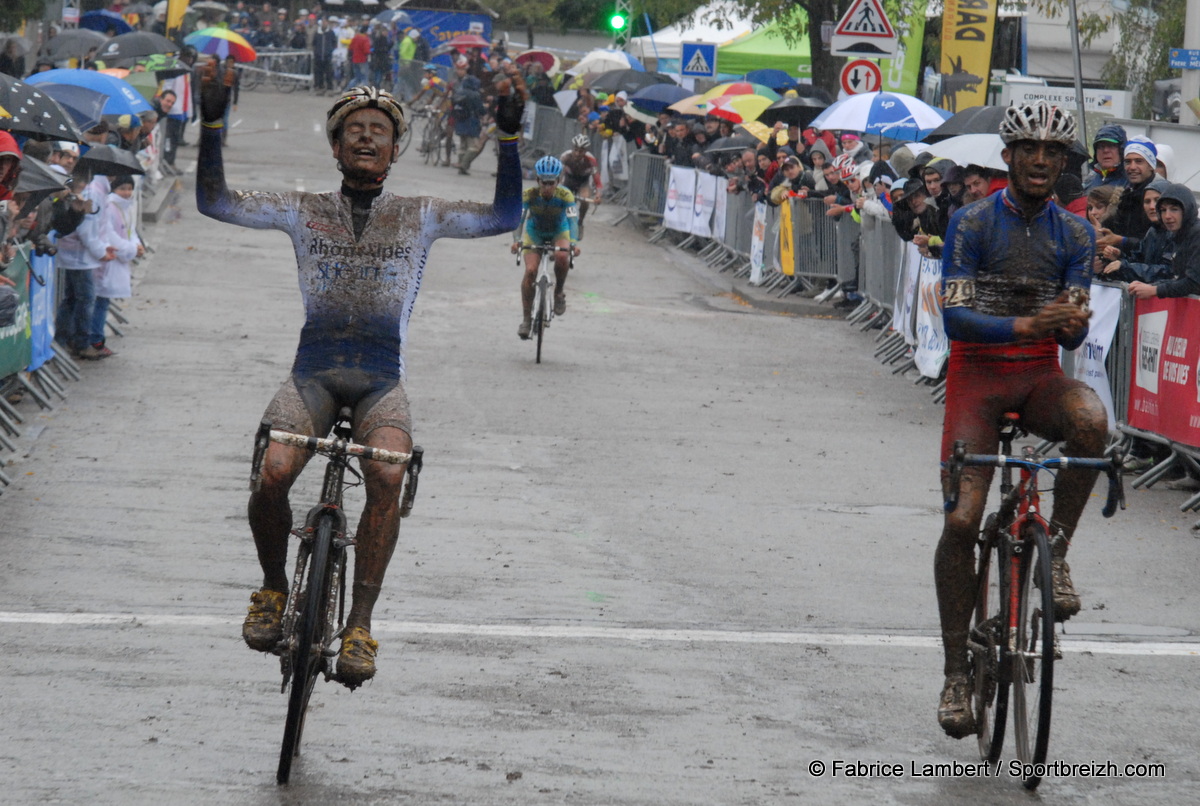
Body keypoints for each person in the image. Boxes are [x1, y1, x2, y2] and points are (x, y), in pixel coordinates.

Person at [196, 65, 528, 688]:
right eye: (354, 130)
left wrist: (510, 138)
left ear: (396, 148)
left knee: (386, 470)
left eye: (379, 131)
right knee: (272, 473)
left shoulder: (421, 214)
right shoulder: (303, 209)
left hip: (380, 380)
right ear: (334, 146)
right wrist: (210, 123)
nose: (367, 139)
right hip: (312, 375)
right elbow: (214, 202)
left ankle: (359, 625)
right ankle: (271, 588)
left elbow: (504, 215)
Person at [935, 101, 1105, 740]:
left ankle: (1054, 551)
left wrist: (1074, 320)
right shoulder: (970, 222)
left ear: (1062, 164)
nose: (1040, 160)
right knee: (960, 520)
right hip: (977, 378)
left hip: (1037, 376)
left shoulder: (1078, 235)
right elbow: (954, 318)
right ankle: (956, 671)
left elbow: (1069, 337)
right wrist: (1029, 321)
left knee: (1092, 420)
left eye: (1053, 152)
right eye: (1029, 149)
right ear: (1007, 156)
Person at [509, 155, 579, 340]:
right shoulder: (529, 195)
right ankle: (526, 320)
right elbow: (519, 219)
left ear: (558, 180)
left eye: (551, 183)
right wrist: (517, 239)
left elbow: (573, 221)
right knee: (531, 270)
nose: (547, 187)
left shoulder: (566, 195)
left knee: (563, 257)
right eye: (543, 183)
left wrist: (573, 243)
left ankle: (558, 293)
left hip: (559, 230)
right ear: (537, 180)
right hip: (535, 231)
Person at [90, 175, 144, 358]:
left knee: (103, 301)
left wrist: (136, 245)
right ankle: (95, 339)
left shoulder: (127, 207)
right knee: (100, 302)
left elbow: (131, 230)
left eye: (129, 189)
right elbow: (110, 234)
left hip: (118, 259)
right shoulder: (110, 206)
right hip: (108, 261)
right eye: (122, 189)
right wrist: (130, 249)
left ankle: (96, 337)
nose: (127, 193)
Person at [559, 133, 601, 235]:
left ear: (586, 151)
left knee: (585, 198)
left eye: (581, 151)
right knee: (559, 198)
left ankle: (580, 222)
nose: (577, 153)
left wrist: (598, 195)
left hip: (583, 181)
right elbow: (558, 175)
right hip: (569, 180)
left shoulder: (591, 160)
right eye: (575, 149)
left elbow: (597, 181)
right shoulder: (565, 156)